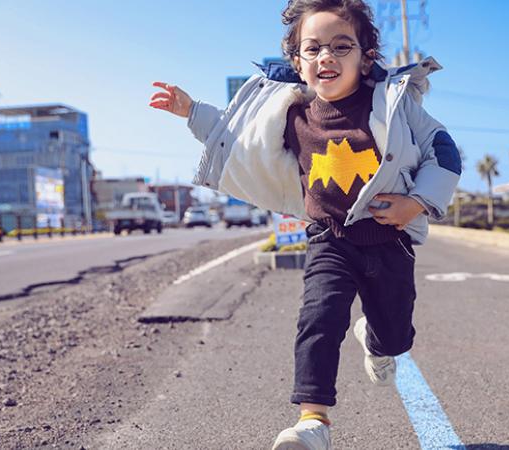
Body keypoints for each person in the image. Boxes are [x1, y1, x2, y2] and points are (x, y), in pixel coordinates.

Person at [149, 1, 461, 448]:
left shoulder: (395, 105)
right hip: (329, 238)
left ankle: (375, 340)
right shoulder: (291, 113)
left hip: (388, 240)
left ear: (366, 56)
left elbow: (443, 152)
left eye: (340, 46)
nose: (325, 57)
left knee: (395, 334)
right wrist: (191, 110)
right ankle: (313, 421)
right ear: (297, 62)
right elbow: (237, 139)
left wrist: (416, 203)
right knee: (318, 318)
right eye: (312, 49)